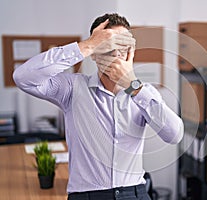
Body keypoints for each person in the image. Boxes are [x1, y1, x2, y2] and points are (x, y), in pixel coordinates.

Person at [13, 13, 183, 200]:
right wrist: (88, 45)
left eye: (123, 47)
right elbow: (23, 77)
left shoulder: (143, 93)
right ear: (94, 55)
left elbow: (174, 135)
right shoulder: (72, 88)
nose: (118, 55)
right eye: (109, 46)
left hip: (135, 193)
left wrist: (134, 86)